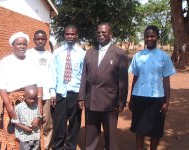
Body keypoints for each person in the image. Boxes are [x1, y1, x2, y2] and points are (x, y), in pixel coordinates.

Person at [78, 22, 129, 150]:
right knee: (91, 134)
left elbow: (123, 80)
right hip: (91, 101)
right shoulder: (89, 52)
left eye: (104, 32)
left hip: (110, 102)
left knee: (110, 135)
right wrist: (81, 97)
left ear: (110, 34)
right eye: (98, 32)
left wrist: (121, 101)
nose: (100, 35)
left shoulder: (120, 53)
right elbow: (84, 76)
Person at [128, 25, 176, 150]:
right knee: (139, 130)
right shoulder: (138, 56)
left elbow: (166, 80)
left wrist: (167, 100)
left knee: (156, 131)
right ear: (144, 38)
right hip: (139, 96)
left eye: (152, 36)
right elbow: (135, 78)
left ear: (157, 37)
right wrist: (131, 98)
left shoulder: (164, 57)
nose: (149, 38)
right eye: (147, 36)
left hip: (157, 98)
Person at [0, 32, 43, 150]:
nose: (22, 46)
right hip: (13, 102)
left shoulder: (33, 60)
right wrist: (9, 107)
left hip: (31, 101)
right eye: (19, 44)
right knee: (13, 132)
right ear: (13, 45)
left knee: (33, 130)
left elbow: (40, 84)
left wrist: (40, 102)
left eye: (24, 44)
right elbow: (2, 87)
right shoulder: (5, 62)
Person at [51, 24, 85, 150]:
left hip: (75, 94)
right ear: (64, 35)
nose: (70, 36)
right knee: (59, 123)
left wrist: (82, 96)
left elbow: (83, 76)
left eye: (72, 34)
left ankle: (71, 147)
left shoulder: (82, 54)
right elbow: (53, 73)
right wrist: (53, 92)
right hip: (60, 93)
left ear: (77, 35)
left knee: (74, 123)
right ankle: (58, 147)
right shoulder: (57, 52)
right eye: (67, 34)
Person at [26, 30, 56, 150]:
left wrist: (52, 92)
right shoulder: (28, 54)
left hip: (46, 96)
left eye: (43, 39)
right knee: (32, 122)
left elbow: (52, 74)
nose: (40, 41)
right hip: (31, 97)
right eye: (37, 39)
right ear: (34, 40)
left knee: (47, 124)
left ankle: (46, 146)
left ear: (46, 41)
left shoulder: (49, 56)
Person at [11, 85, 44, 150]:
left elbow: (40, 116)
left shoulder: (37, 106)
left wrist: (38, 119)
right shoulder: (18, 108)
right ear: (24, 97)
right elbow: (15, 121)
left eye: (34, 98)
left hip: (35, 135)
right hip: (24, 136)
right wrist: (24, 127)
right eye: (30, 98)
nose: (32, 100)